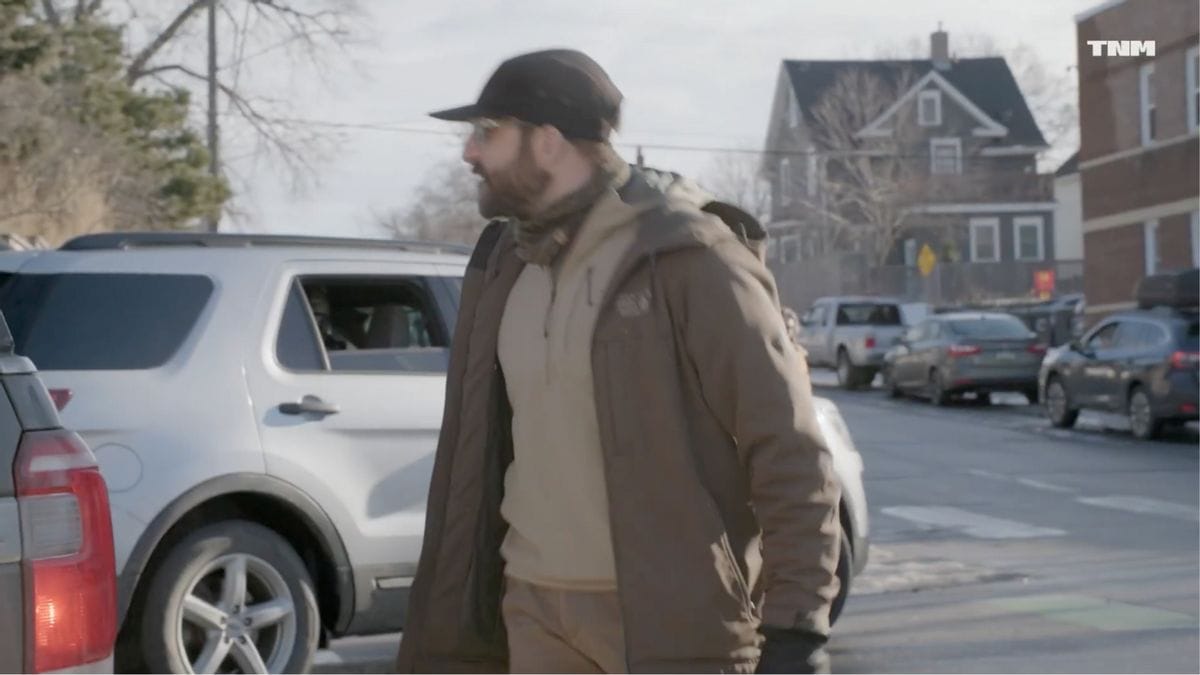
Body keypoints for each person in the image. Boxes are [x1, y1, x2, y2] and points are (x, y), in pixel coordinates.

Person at [395, 48, 842, 674]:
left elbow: (787, 446)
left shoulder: (689, 258)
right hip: (530, 613)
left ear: (547, 141)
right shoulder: (503, 265)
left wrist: (797, 625)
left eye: (488, 132)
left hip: (673, 625)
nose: (470, 152)